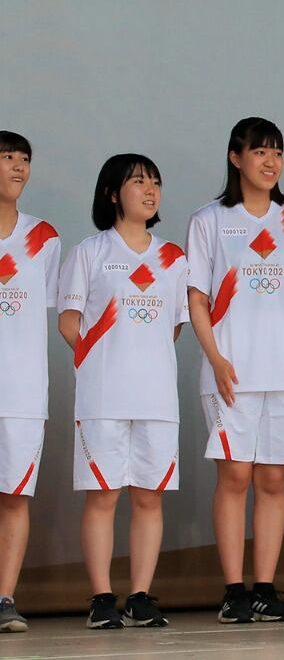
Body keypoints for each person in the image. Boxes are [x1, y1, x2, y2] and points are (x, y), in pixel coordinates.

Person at [186, 117, 284, 624]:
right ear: (235, 158)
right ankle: (233, 590)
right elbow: (196, 299)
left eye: (277, 153)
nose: (270, 162)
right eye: (260, 152)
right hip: (233, 372)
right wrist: (216, 358)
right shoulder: (210, 221)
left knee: (271, 479)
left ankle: (264, 587)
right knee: (235, 476)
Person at [58, 154, 187, 629]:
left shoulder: (173, 258)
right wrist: (101, 359)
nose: (150, 190)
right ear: (113, 193)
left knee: (150, 497)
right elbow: (69, 321)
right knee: (103, 495)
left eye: (156, 181)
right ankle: (101, 597)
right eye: (138, 182)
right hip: (102, 397)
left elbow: (173, 327)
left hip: (156, 398)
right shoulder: (90, 252)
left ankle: (140, 596)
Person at [0, 131, 60, 633]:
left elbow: (48, 314)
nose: (19, 167)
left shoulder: (43, 239)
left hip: (21, 390)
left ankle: (4, 598)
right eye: (7, 159)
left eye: (25, 159)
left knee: (15, 496)